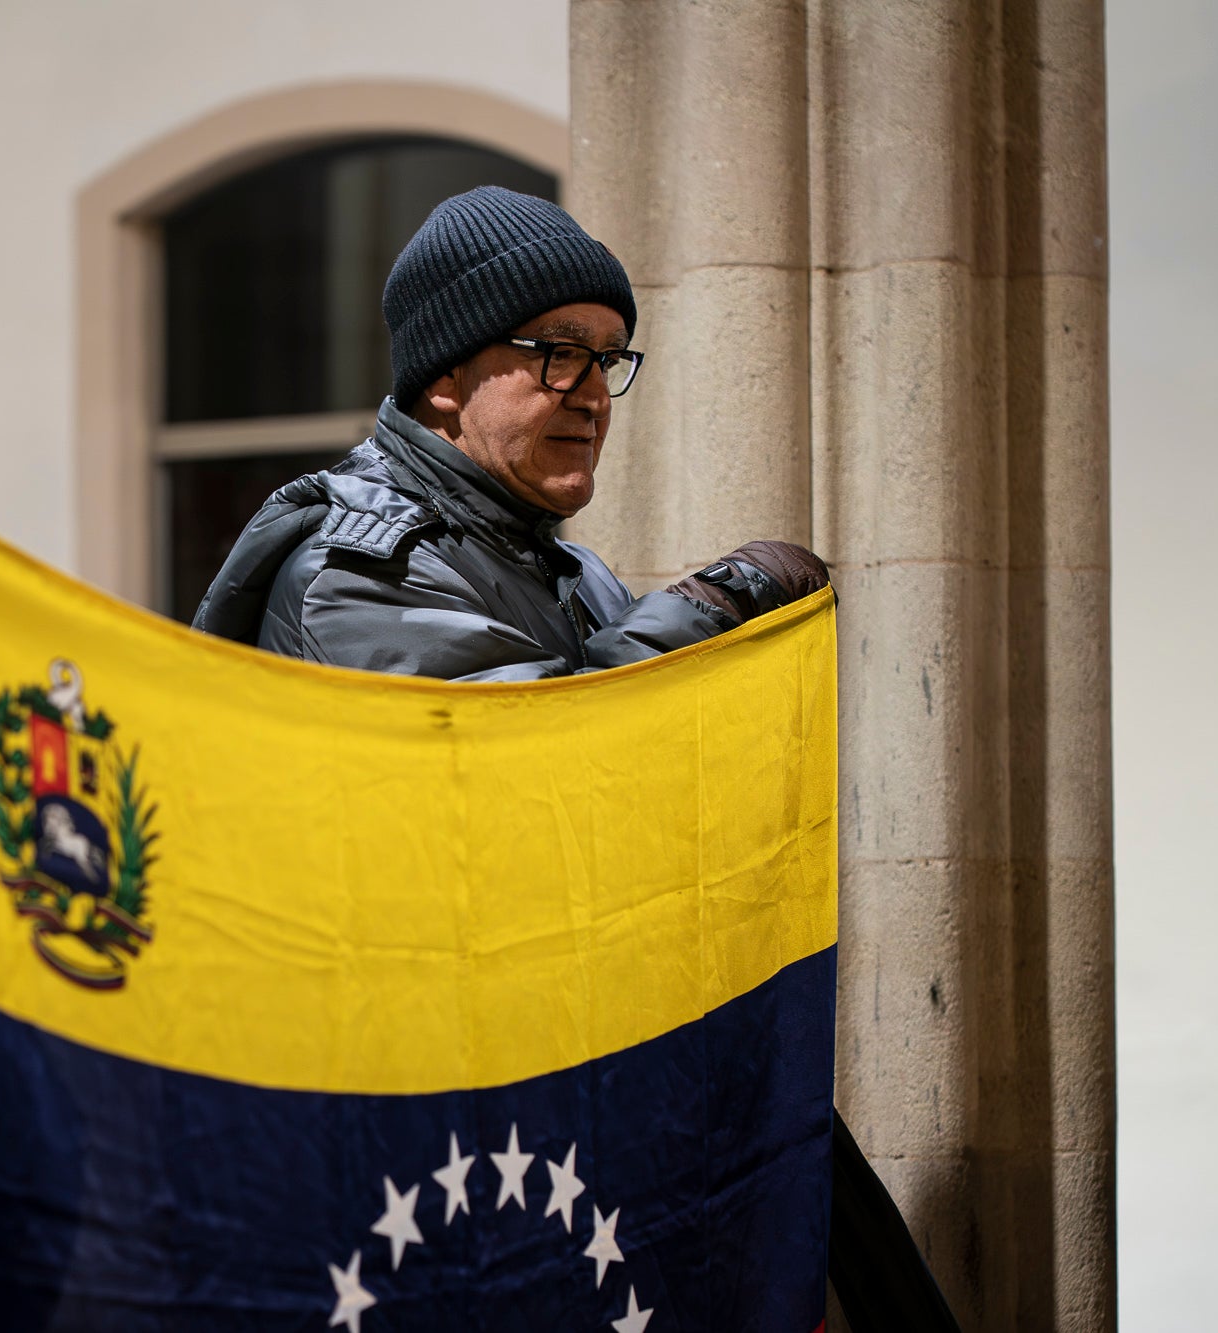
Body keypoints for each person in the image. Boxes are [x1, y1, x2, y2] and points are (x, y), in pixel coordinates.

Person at [194, 186, 959, 1331]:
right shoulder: (353, 563)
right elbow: (518, 779)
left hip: (581, 1089)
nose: (592, 395)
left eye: (607, 360)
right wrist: (708, 609)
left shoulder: (572, 574)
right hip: (436, 1133)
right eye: (554, 355)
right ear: (444, 377)